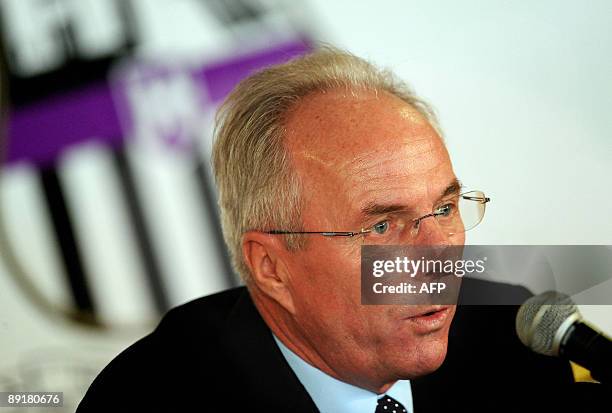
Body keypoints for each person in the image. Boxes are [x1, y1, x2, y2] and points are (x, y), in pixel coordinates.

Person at [77, 47, 574, 413]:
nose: (438, 255)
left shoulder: (512, 341)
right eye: (382, 225)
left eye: (444, 209)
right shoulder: (148, 400)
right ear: (271, 267)